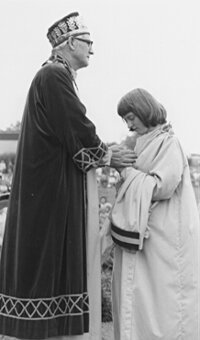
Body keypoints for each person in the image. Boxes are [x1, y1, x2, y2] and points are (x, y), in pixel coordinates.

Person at [0, 12, 136, 340]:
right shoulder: (53, 76)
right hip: (49, 189)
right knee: (48, 257)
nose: (92, 49)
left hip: (51, 184)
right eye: (89, 42)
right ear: (71, 43)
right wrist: (107, 154)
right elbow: (75, 124)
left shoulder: (55, 75)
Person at [110, 88, 200, 340]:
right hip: (147, 234)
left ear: (143, 110)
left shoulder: (169, 143)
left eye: (130, 117)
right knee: (142, 299)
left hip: (166, 236)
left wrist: (125, 172)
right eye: (125, 120)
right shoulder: (145, 142)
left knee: (163, 301)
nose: (128, 125)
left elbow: (161, 186)